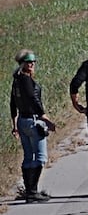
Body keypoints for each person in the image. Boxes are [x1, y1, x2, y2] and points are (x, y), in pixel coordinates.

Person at [10, 50, 56, 202]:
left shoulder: (16, 81)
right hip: (33, 121)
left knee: (29, 156)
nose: (32, 64)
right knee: (41, 157)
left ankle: (29, 190)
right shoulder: (26, 80)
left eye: (33, 61)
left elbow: (13, 104)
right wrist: (44, 117)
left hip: (22, 121)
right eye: (29, 62)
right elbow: (32, 98)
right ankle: (32, 191)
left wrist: (15, 124)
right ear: (22, 64)